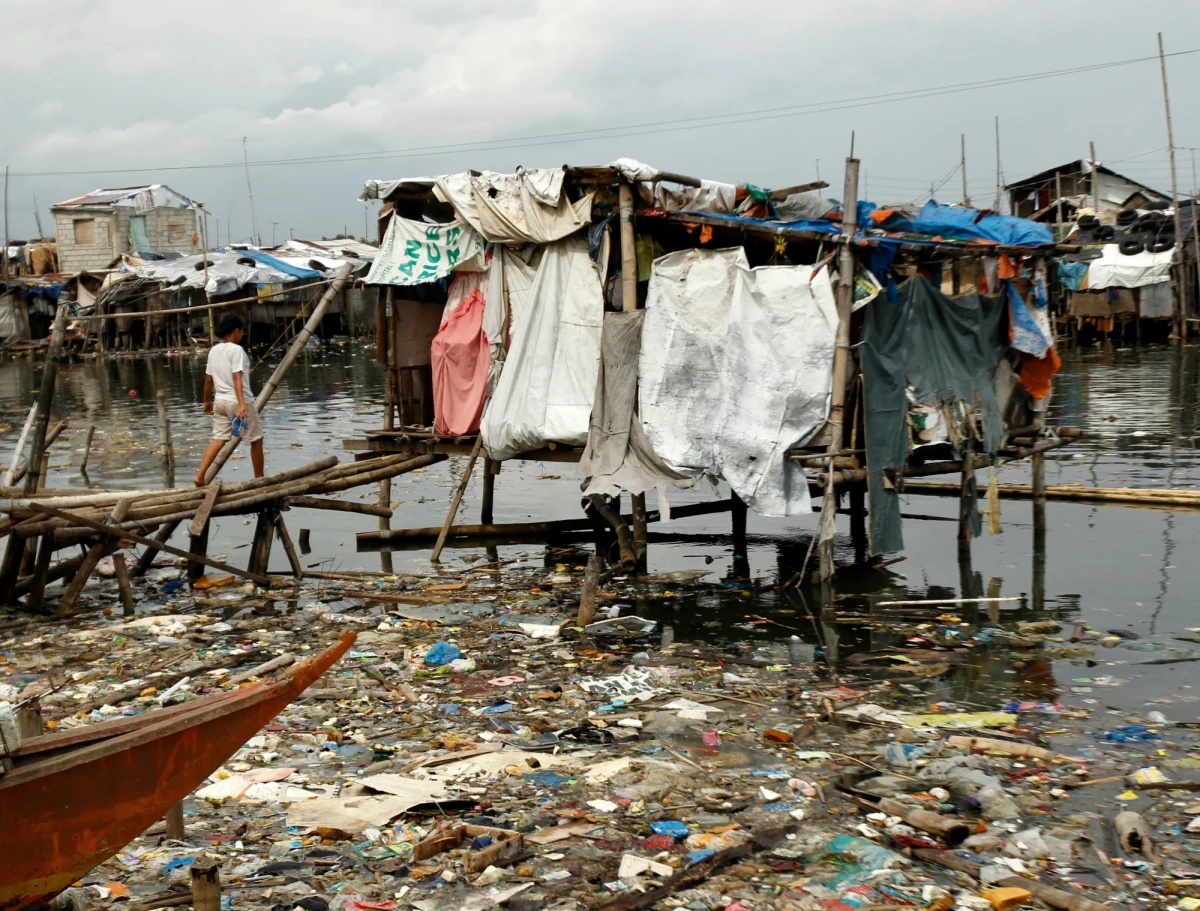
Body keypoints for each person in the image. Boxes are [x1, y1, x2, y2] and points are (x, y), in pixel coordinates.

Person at [194, 314, 264, 486]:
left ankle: (200, 476)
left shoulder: (214, 350)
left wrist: (206, 401)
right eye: (241, 332)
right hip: (237, 404)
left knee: (219, 439)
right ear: (236, 331)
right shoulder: (236, 350)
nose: (242, 335)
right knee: (256, 439)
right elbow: (237, 378)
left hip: (220, 403)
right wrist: (241, 405)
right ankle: (260, 479)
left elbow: (208, 380)